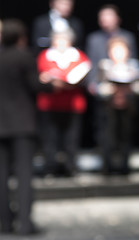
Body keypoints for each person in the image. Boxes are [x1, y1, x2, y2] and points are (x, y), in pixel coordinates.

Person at [0, 19, 53, 235]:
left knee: (1, 177)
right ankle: (24, 224)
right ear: (21, 37)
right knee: (24, 175)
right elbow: (35, 85)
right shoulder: (25, 57)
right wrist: (48, 82)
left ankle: (4, 223)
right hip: (22, 124)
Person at [36, 29, 91, 177]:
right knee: (50, 138)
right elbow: (41, 75)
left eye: (64, 40)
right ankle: (50, 168)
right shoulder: (45, 56)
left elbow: (83, 76)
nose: (60, 44)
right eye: (57, 40)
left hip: (72, 104)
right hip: (50, 104)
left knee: (71, 138)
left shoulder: (78, 56)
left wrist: (66, 83)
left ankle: (71, 167)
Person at [85, 4, 138, 155]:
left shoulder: (127, 37)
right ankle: (105, 157)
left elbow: (133, 64)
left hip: (125, 89)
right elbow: (92, 63)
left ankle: (123, 158)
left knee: (125, 127)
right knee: (103, 124)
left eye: (109, 16)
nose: (106, 20)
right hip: (104, 88)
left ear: (117, 19)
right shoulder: (94, 38)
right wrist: (93, 84)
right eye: (102, 17)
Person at [97, 37, 139, 175]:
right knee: (108, 137)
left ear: (128, 52)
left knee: (126, 136)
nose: (118, 54)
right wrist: (111, 89)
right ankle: (107, 167)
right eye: (115, 50)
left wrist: (130, 88)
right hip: (109, 107)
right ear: (109, 52)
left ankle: (124, 167)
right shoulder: (105, 65)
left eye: (122, 50)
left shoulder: (133, 65)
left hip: (127, 106)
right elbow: (99, 87)